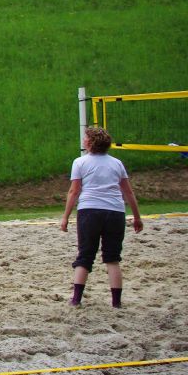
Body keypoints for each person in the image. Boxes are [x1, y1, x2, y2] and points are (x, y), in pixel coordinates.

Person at [60, 127, 143, 308]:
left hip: (89, 211)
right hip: (115, 212)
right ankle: (116, 303)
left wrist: (65, 216)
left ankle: (76, 300)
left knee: (85, 256)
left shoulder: (80, 162)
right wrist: (137, 217)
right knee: (112, 258)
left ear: (90, 142)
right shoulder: (116, 163)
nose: (83, 140)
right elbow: (128, 192)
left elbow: (74, 191)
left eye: (85, 138)